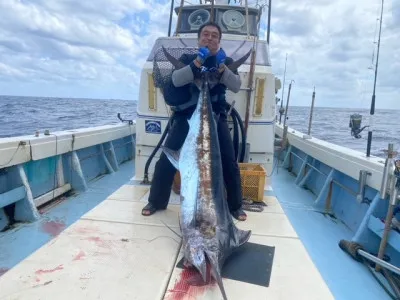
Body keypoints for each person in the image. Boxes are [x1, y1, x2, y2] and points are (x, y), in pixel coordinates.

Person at [142, 22, 247, 221]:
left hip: (216, 117)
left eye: (214, 35)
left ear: (219, 40)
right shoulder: (187, 58)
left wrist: (223, 68)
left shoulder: (226, 61)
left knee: (229, 160)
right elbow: (176, 80)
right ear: (199, 39)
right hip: (186, 117)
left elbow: (236, 86)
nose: (209, 38)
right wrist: (197, 64)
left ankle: (235, 206)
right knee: (167, 159)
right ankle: (156, 201)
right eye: (205, 34)